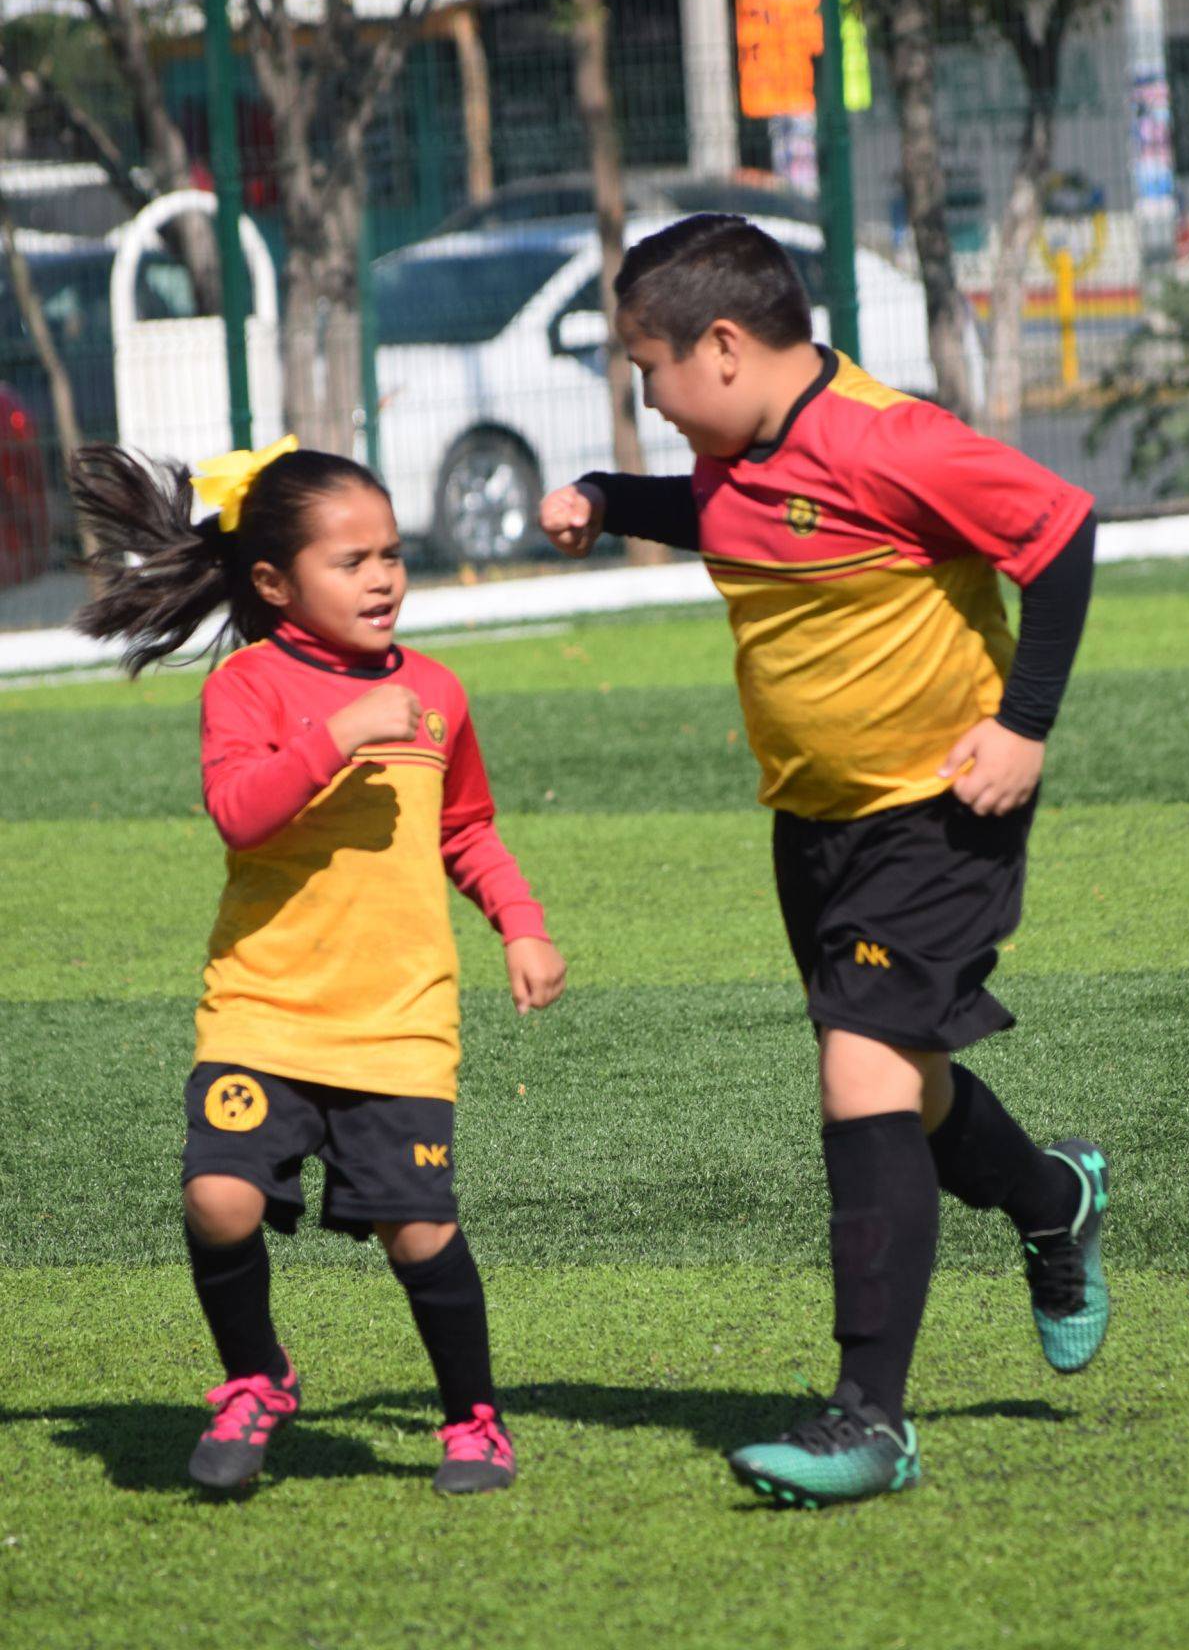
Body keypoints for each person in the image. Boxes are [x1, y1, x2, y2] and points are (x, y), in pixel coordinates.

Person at [540, 214, 1108, 1510]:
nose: (647, 399)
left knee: (857, 1071)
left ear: (720, 348)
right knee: (905, 1085)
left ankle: (869, 1420)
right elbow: (717, 513)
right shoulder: (733, 456)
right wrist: (606, 501)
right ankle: (1050, 1201)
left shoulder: (888, 440)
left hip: (937, 812)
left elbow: (1060, 530)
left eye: (646, 371)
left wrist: (1022, 726)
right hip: (812, 825)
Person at [71, 434, 566, 1495]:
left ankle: (472, 1419)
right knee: (219, 1198)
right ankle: (256, 1378)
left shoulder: (435, 691)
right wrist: (337, 734)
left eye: (391, 554)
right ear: (273, 582)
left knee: (417, 1229)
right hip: (264, 1008)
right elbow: (240, 815)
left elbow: (466, 827)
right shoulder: (248, 686)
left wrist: (520, 922)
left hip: (399, 1018)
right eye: (351, 562)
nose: (382, 577)